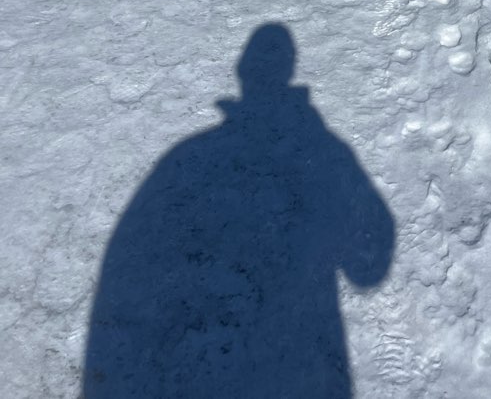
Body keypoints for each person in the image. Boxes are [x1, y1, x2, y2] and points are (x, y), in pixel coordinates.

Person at [84, 23, 394, 398]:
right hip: (296, 368)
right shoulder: (325, 152)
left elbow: (131, 277)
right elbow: (368, 266)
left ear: (242, 73)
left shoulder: (187, 159)